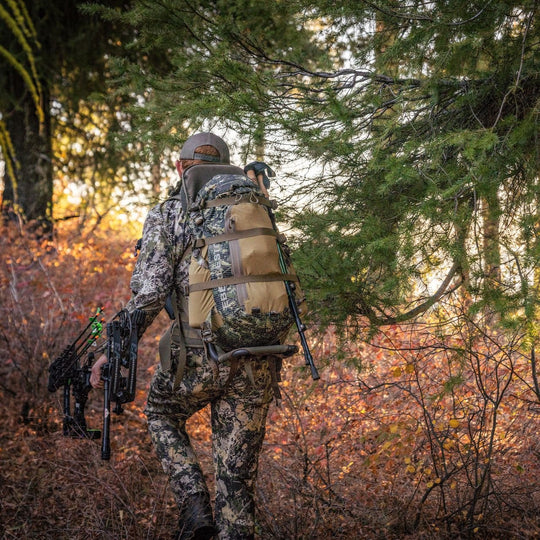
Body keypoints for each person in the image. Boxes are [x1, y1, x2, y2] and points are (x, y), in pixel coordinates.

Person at [90, 132, 276, 540]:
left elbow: (150, 294)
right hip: (260, 355)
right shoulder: (257, 209)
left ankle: (194, 508)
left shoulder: (171, 212)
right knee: (237, 479)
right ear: (225, 164)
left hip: (200, 356)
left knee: (161, 413)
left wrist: (111, 350)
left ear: (180, 167)